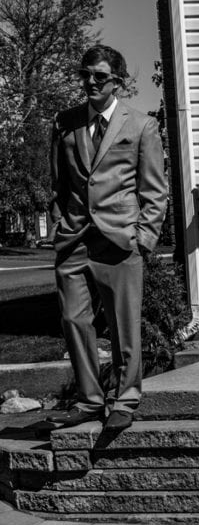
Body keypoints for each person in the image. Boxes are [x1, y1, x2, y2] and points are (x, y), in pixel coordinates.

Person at [44, 45, 167, 432]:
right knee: (72, 319)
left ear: (117, 81)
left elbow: (154, 191)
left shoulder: (142, 125)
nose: (91, 82)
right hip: (75, 238)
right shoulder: (65, 123)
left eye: (100, 76)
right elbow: (58, 184)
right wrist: (60, 223)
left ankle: (126, 399)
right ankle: (90, 400)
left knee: (123, 324)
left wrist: (143, 238)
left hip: (119, 240)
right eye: (86, 74)